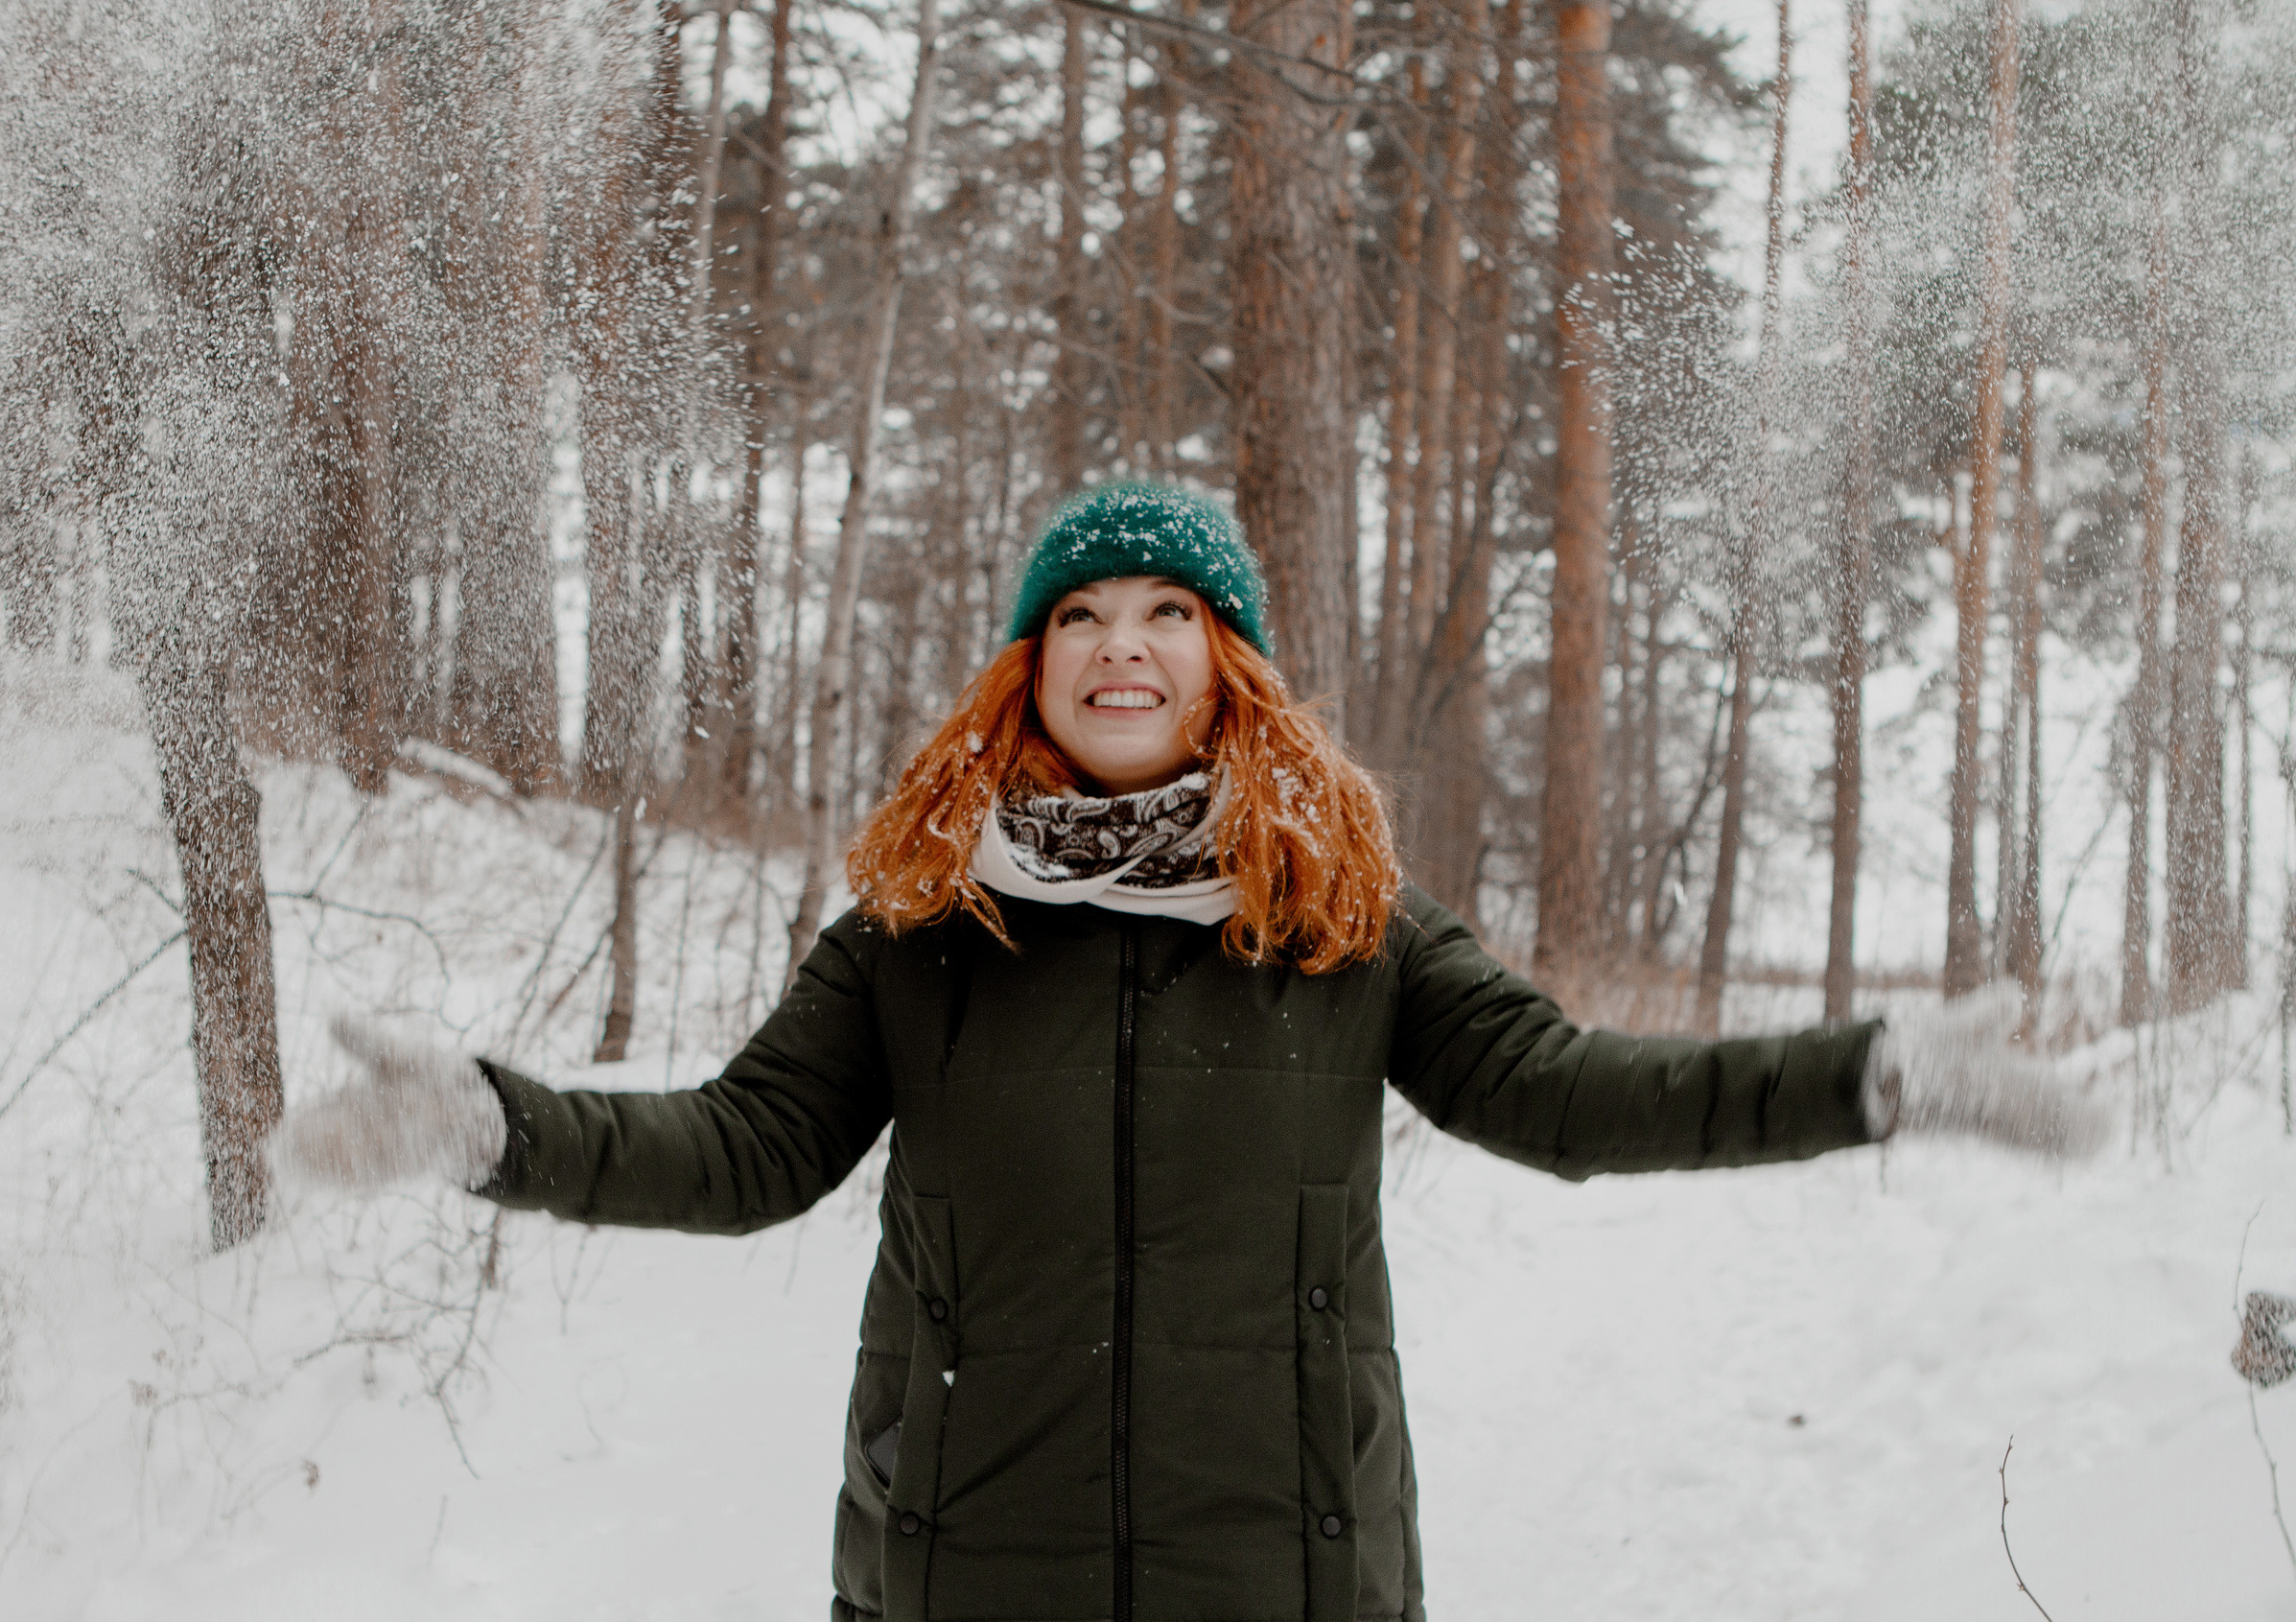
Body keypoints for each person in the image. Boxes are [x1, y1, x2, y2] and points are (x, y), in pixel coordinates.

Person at [273, 482, 2107, 1622]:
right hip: (964, 1571)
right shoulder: (924, 935)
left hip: (1288, 1577)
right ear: (1027, 670)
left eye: (1168, 613)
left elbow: (1570, 1097)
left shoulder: (1345, 929)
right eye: (1079, 614)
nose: (1121, 644)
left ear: (1232, 667)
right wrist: (494, 1127)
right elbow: (744, 1150)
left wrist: (1869, 1076)